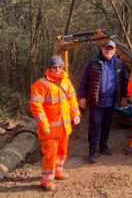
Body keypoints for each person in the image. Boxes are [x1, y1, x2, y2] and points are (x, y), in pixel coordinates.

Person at [30, 56, 81, 191]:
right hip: (49, 130)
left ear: (62, 67)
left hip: (64, 128)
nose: (57, 69)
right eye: (54, 67)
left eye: (60, 66)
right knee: (50, 155)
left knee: (62, 152)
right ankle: (47, 180)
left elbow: (72, 100)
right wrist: (44, 125)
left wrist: (75, 114)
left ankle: (58, 172)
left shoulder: (66, 81)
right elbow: (36, 107)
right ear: (49, 68)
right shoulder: (41, 85)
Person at [79, 41, 127, 163]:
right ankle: (92, 151)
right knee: (95, 126)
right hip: (96, 100)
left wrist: (123, 96)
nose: (109, 51)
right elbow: (85, 80)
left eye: (111, 49)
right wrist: (82, 96)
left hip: (110, 101)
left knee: (106, 125)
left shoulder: (119, 63)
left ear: (115, 50)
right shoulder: (93, 62)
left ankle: (103, 145)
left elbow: (122, 81)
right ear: (102, 48)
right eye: (106, 48)